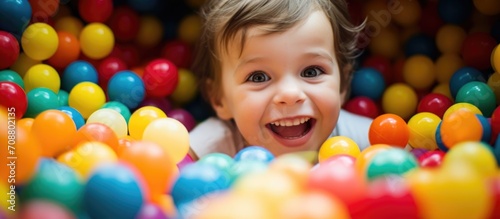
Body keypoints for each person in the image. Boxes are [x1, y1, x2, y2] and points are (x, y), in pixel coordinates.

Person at [188, 0, 373, 160]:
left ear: (342, 85)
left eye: (311, 72)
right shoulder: (212, 150)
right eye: (258, 77)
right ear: (219, 99)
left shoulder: (368, 142)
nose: (290, 94)